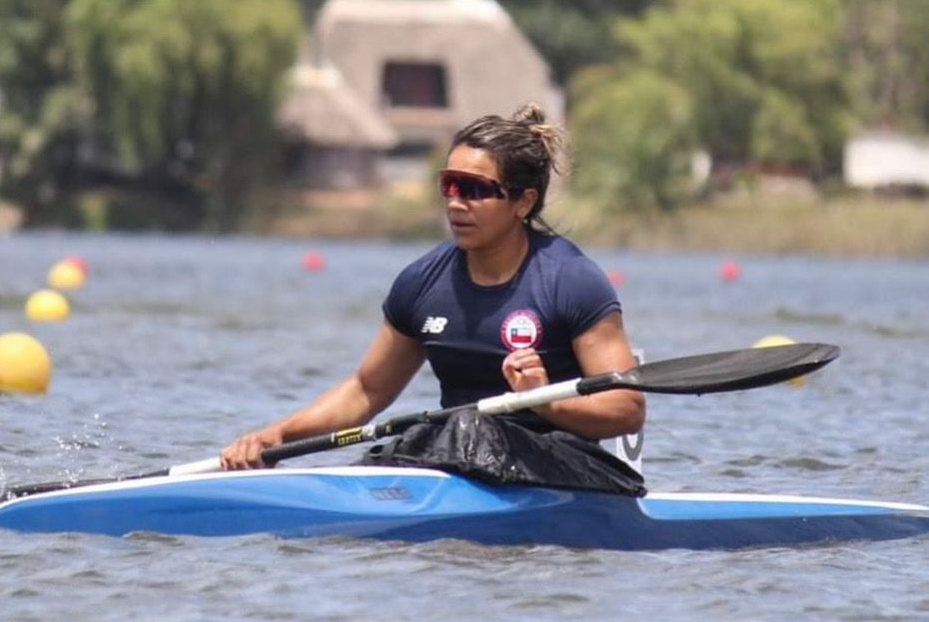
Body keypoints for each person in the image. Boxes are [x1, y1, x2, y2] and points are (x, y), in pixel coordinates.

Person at [221, 104, 645, 478]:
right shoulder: (423, 282)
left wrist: (544, 401)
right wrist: (276, 436)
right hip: (455, 453)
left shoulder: (570, 280)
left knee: (462, 431)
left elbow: (626, 410)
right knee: (426, 437)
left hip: (566, 466)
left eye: (477, 190)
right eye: (451, 185)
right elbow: (366, 391)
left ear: (522, 202)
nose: (457, 203)